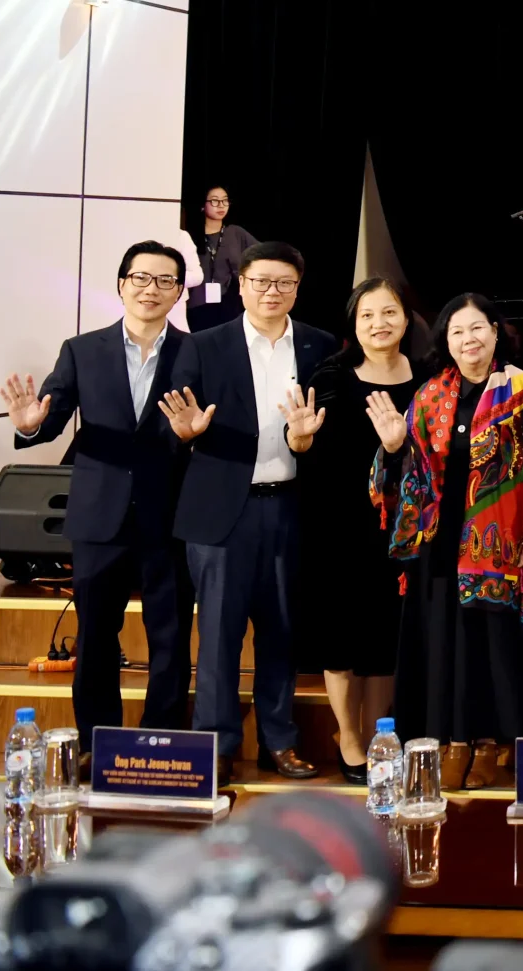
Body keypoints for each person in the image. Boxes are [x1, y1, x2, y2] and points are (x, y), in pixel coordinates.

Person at [2, 242, 195, 751]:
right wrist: (29, 427)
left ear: (178, 291)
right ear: (121, 284)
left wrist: (195, 435)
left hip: (169, 513)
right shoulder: (81, 350)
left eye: (164, 281)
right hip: (99, 515)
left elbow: (207, 424)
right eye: (140, 278)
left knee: (171, 635)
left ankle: (162, 743)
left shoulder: (197, 352)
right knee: (94, 636)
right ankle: (96, 742)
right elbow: (49, 417)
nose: (151, 289)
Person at [368, 292, 523, 791]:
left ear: (495, 332)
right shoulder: (430, 395)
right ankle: (453, 741)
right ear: (445, 341)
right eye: (456, 331)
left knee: (495, 649)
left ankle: (493, 743)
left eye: (476, 328)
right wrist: (393, 448)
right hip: (439, 545)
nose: (468, 339)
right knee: (445, 645)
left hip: (502, 547)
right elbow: (400, 478)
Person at [168, 240, 336, 780]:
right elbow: (173, 423)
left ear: (297, 289)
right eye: (260, 281)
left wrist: (306, 442)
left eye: (284, 282)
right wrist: (186, 434)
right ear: (240, 285)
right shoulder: (203, 345)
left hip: (289, 506)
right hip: (221, 511)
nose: (271, 291)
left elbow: (330, 433)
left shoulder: (319, 346)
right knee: (219, 633)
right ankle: (216, 744)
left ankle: (278, 741)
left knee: (282, 630)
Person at [295, 278, 412, 779]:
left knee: (385, 638)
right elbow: (308, 452)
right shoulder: (331, 376)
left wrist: (397, 449)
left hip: (402, 529)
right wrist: (299, 441)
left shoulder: (429, 377)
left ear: (406, 318)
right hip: (339, 526)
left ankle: (379, 734)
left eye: (388, 312)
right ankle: (348, 737)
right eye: (367, 315)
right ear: (353, 322)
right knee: (341, 638)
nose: (378, 323)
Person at [181, 186, 256, 331]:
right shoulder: (188, 235)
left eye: (225, 200)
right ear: (202, 205)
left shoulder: (235, 233)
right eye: (214, 201)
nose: (221, 205)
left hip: (229, 305)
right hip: (195, 305)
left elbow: (262, 255)